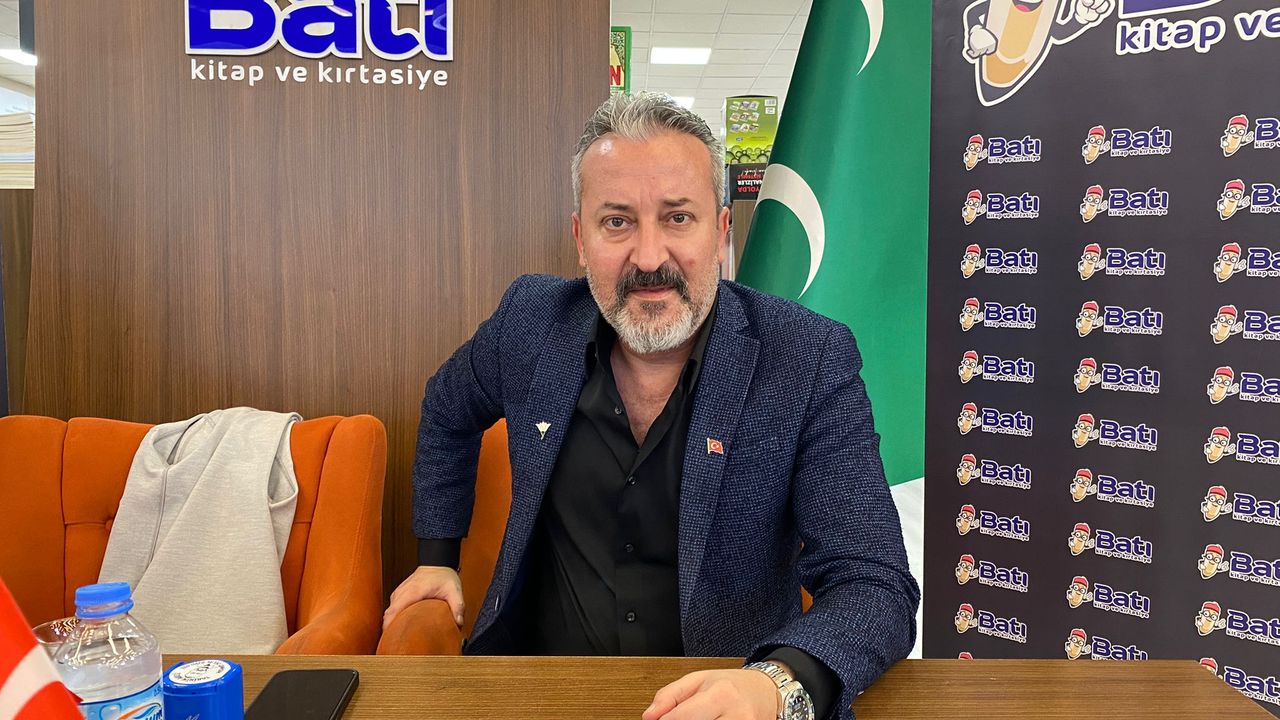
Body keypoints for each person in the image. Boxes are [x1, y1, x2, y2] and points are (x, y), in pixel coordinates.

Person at [384, 93, 918, 720]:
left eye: (678, 218)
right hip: (541, 694)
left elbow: (873, 581)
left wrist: (774, 685)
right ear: (580, 239)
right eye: (617, 222)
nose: (648, 258)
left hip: (725, 701)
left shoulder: (804, 357)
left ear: (721, 232)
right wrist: (437, 559)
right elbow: (447, 409)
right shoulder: (530, 323)